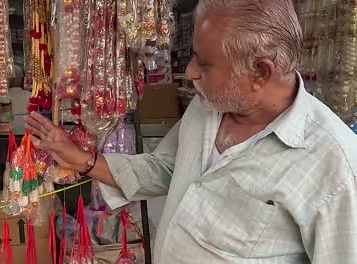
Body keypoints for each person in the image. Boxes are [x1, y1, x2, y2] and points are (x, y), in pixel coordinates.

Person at [24, 0, 357, 263]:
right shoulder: (207, 106)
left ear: (259, 72)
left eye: (204, 63)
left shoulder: (332, 165)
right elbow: (168, 168)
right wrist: (82, 159)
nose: (189, 71)